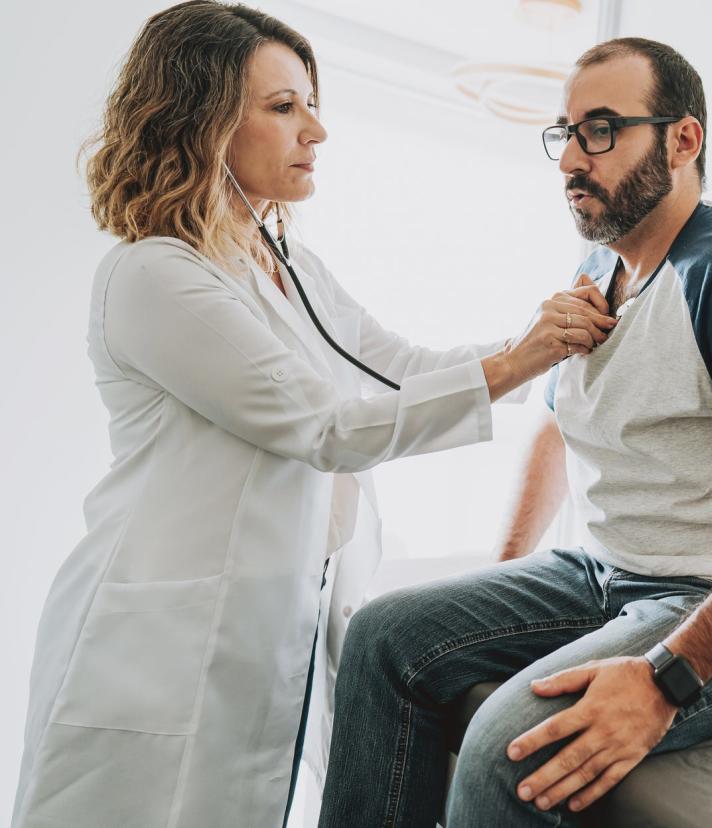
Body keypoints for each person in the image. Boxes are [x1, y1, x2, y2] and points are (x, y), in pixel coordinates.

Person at [9, 3, 615, 826]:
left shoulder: (288, 265)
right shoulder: (155, 276)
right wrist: (524, 359)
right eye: (285, 106)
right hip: (156, 646)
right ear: (204, 120)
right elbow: (326, 427)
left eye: (311, 103)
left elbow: (394, 367)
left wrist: (534, 338)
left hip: (261, 636)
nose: (317, 130)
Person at [318, 37, 712, 826]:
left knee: (506, 748)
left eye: (602, 129)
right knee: (381, 637)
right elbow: (555, 427)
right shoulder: (594, 270)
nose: (574, 157)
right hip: (604, 576)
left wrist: (665, 680)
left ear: (683, 139)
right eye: (567, 133)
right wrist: (498, 580)